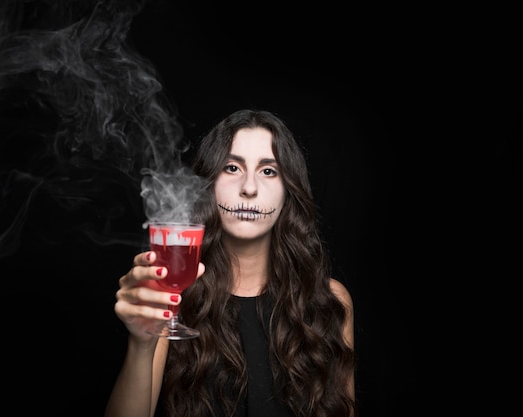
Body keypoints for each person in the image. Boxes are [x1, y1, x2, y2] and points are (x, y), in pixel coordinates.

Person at [105, 109, 356, 417]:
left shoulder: (330, 301)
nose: (248, 188)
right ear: (208, 183)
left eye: (268, 171)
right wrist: (141, 343)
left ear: (288, 191)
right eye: (232, 167)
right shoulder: (170, 297)